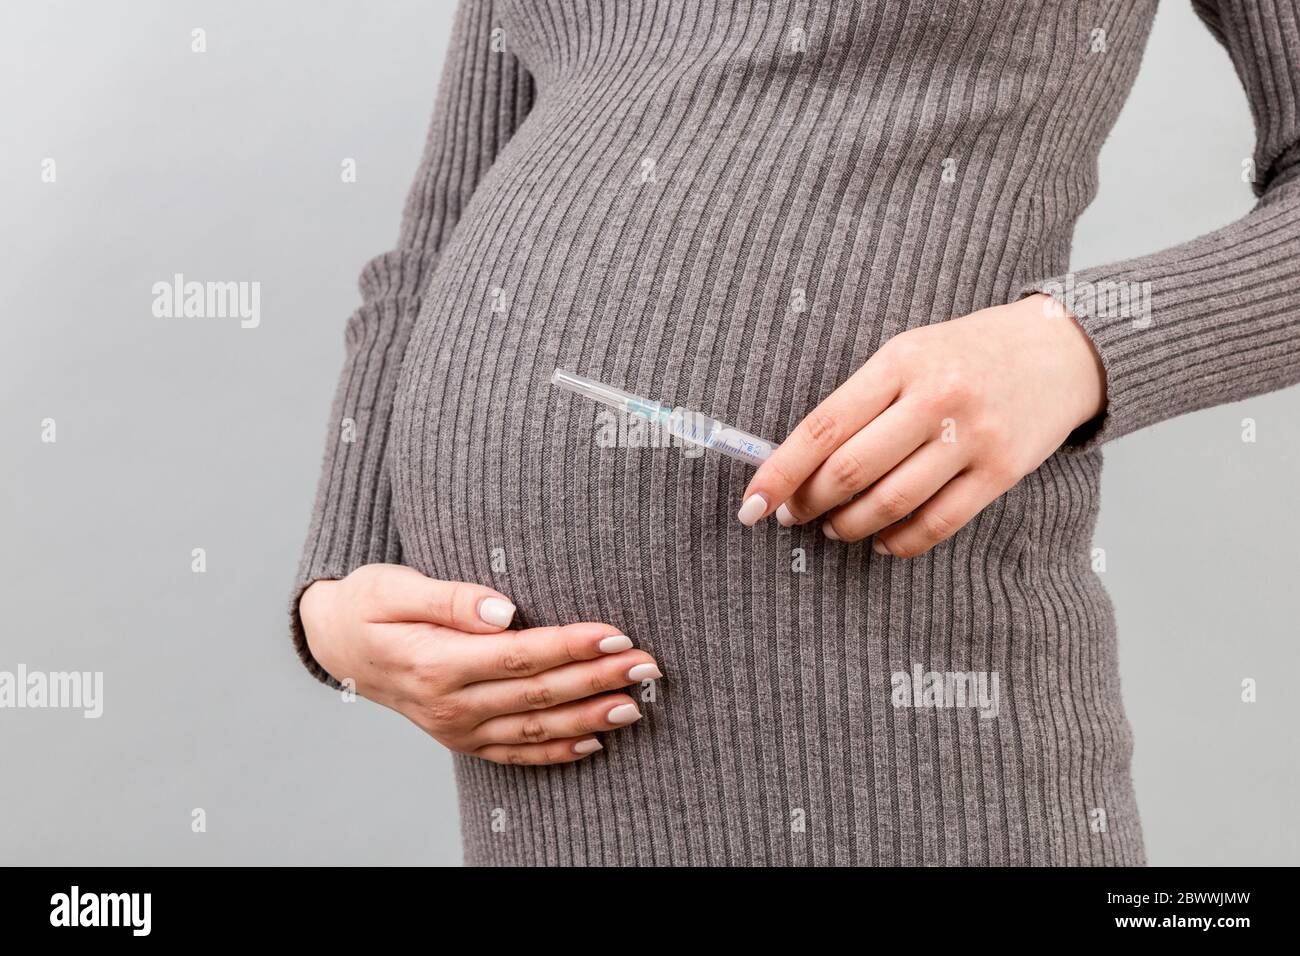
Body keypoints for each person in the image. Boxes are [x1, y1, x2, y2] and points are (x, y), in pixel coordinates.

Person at [292, 0, 1300, 865]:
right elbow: (433, 239)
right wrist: (336, 593)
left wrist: (1077, 344)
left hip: (896, 723)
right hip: (545, 767)